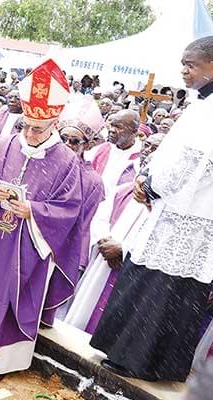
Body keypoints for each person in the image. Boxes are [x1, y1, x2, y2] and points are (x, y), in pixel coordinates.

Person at [0, 59, 81, 381]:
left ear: (54, 124)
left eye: (38, 128)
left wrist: (32, 211)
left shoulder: (66, 161)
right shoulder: (5, 143)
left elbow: (68, 208)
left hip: (27, 249)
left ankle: (1, 362)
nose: (30, 133)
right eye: (26, 125)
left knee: (12, 296)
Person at [90, 36, 213, 383]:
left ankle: (139, 361)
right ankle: (137, 357)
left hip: (186, 216)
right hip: (178, 209)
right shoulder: (203, 103)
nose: (183, 70)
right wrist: (148, 178)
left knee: (161, 288)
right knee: (160, 286)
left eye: (191, 64)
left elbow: (190, 161)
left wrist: (151, 187)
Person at [65, 133, 162, 334]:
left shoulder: (165, 204)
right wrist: (103, 240)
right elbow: (100, 217)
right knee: (85, 310)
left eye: (156, 149)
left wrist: (124, 250)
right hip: (104, 257)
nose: (149, 153)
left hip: (131, 265)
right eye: (147, 147)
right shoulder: (122, 190)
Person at [43, 97, 106, 326]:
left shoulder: (93, 182)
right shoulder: (43, 163)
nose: (68, 145)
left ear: (87, 145)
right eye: (64, 139)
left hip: (62, 252)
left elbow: (82, 225)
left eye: (75, 141)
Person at [91, 110, 141, 197]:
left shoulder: (140, 158)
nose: (111, 130)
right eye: (112, 125)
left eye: (118, 127)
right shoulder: (101, 149)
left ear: (134, 132)